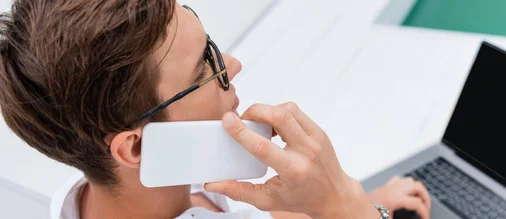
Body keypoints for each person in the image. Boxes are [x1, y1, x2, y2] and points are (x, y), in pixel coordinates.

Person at [0, 0, 431, 218]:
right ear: (135, 149)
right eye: (203, 70)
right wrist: (348, 205)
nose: (234, 66)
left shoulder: (88, 197)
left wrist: (326, 202)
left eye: (211, 48)